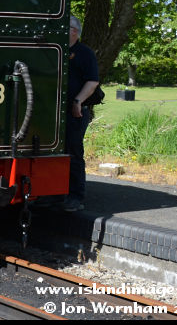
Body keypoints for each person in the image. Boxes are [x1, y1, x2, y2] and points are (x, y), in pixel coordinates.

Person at [64, 15, 100, 212]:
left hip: (75, 112)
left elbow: (92, 82)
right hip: (56, 113)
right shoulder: (58, 50)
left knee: (74, 152)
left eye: (65, 26)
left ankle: (75, 196)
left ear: (74, 31)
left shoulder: (85, 53)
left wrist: (78, 101)